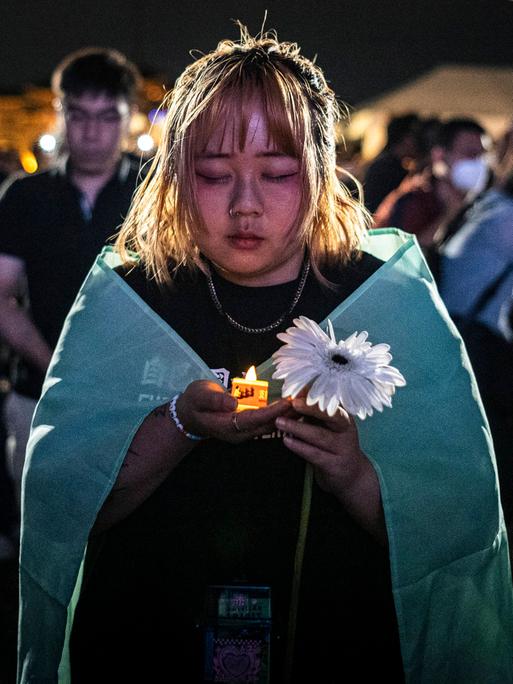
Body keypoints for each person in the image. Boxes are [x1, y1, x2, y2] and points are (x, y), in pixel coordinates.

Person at [18, 28, 513, 684]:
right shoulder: (130, 299)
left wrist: (356, 476)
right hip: (146, 636)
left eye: (276, 173)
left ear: (318, 172)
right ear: (173, 177)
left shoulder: (383, 297)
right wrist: (178, 424)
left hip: (338, 642)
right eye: (214, 173)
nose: (244, 203)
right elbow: (62, 505)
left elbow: (456, 531)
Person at [0, 47, 142, 510]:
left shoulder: (152, 195)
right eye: (78, 115)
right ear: (61, 114)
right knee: (39, 532)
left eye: (106, 116)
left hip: (135, 399)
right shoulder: (26, 194)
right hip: (38, 396)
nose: (91, 132)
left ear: (127, 118)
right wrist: (56, 369)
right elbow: (1, 298)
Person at [374, 117, 490, 250]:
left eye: (483, 155)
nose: (479, 163)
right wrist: (448, 215)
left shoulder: (477, 203)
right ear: (439, 156)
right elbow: (405, 257)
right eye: (470, 154)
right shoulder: (413, 200)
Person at [362, 113, 420, 213]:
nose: (419, 144)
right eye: (416, 137)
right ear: (406, 139)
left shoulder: (382, 163)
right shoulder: (389, 169)